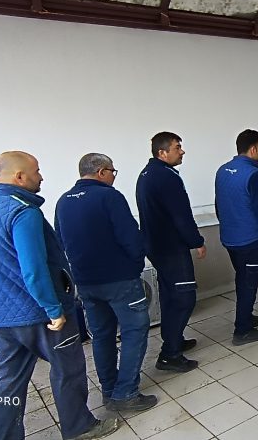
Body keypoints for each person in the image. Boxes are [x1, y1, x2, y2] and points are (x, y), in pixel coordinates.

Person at [0, 151, 120, 440]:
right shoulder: (23, 211)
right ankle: (79, 427)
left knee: (8, 380)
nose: (41, 177)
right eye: (36, 171)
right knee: (68, 369)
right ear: (19, 176)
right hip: (38, 315)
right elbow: (34, 269)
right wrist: (54, 310)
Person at [55, 153, 156, 412]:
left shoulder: (63, 201)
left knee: (102, 335)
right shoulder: (109, 197)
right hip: (120, 279)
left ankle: (109, 390)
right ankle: (126, 393)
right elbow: (130, 237)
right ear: (101, 171)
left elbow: (60, 242)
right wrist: (135, 265)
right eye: (112, 171)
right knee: (135, 331)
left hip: (86, 282)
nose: (113, 176)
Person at [136, 132, 205, 372]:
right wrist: (196, 241)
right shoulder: (166, 177)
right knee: (184, 297)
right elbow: (181, 215)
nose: (182, 151)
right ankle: (169, 354)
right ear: (162, 152)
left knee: (169, 295)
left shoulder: (147, 173)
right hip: (171, 247)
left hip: (156, 245)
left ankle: (174, 339)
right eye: (177, 147)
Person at [215, 129, 258, 344]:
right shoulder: (253, 175)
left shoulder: (223, 170)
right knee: (249, 282)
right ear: (253, 149)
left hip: (229, 237)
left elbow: (218, 204)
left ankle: (246, 316)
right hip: (248, 239)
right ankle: (242, 330)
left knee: (242, 278)